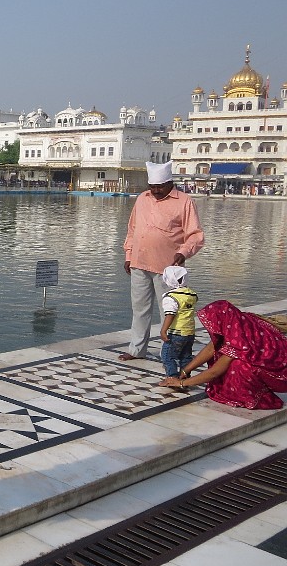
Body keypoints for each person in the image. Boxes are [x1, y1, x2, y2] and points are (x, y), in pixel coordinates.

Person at [119, 160, 205, 361]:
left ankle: (172, 352)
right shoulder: (142, 198)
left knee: (171, 311)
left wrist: (184, 252)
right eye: (152, 187)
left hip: (168, 269)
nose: (156, 190)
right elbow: (132, 230)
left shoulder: (184, 201)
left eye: (160, 186)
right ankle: (137, 349)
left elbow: (195, 235)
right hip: (139, 263)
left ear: (170, 183)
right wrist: (128, 256)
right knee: (140, 309)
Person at [159, 300, 287, 409]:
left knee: (238, 366)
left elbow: (214, 372)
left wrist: (181, 383)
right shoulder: (239, 322)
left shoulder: (238, 342)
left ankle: (255, 397)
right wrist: (184, 372)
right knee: (221, 350)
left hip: (281, 374)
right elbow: (210, 349)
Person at [159, 265, 197, 377]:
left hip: (176, 333)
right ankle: (185, 378)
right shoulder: (192, 294)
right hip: (189, 332)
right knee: (185, 357)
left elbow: (170, 314)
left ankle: (172, 378)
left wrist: (163, 330)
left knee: (167, 356)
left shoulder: (170, 297)